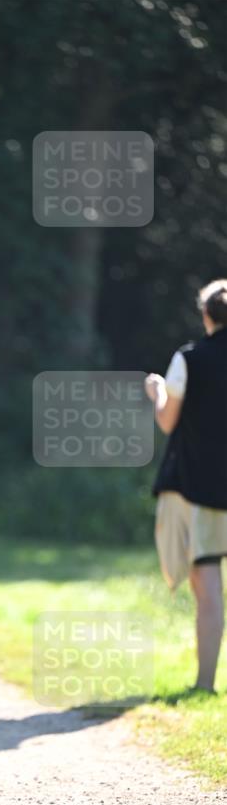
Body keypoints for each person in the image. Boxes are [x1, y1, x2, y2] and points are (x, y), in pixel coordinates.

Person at [145, 279, 227, 693]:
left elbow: (167, 421)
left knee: (208, 582)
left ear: (206, 315)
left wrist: (158, 391)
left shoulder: (189, 359)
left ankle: (205, 683)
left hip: (203, 488)